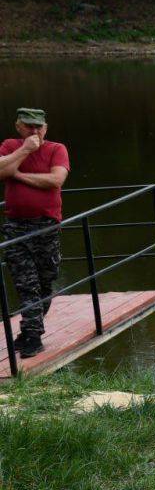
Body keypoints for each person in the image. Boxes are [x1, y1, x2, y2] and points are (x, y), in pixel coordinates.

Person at [0, 108, 70, 358]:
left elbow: (55, 181)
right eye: (29, 126)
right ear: (18, 126)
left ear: (46, 127)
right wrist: (25, 150)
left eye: (38, 127)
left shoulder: (56, 149)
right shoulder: (10, 145)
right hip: (15, 227)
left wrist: (17, 174)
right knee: (26, 283)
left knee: (44, 281)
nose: (34, 131)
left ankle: (30, 330)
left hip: (46, 226)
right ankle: (32, 337)